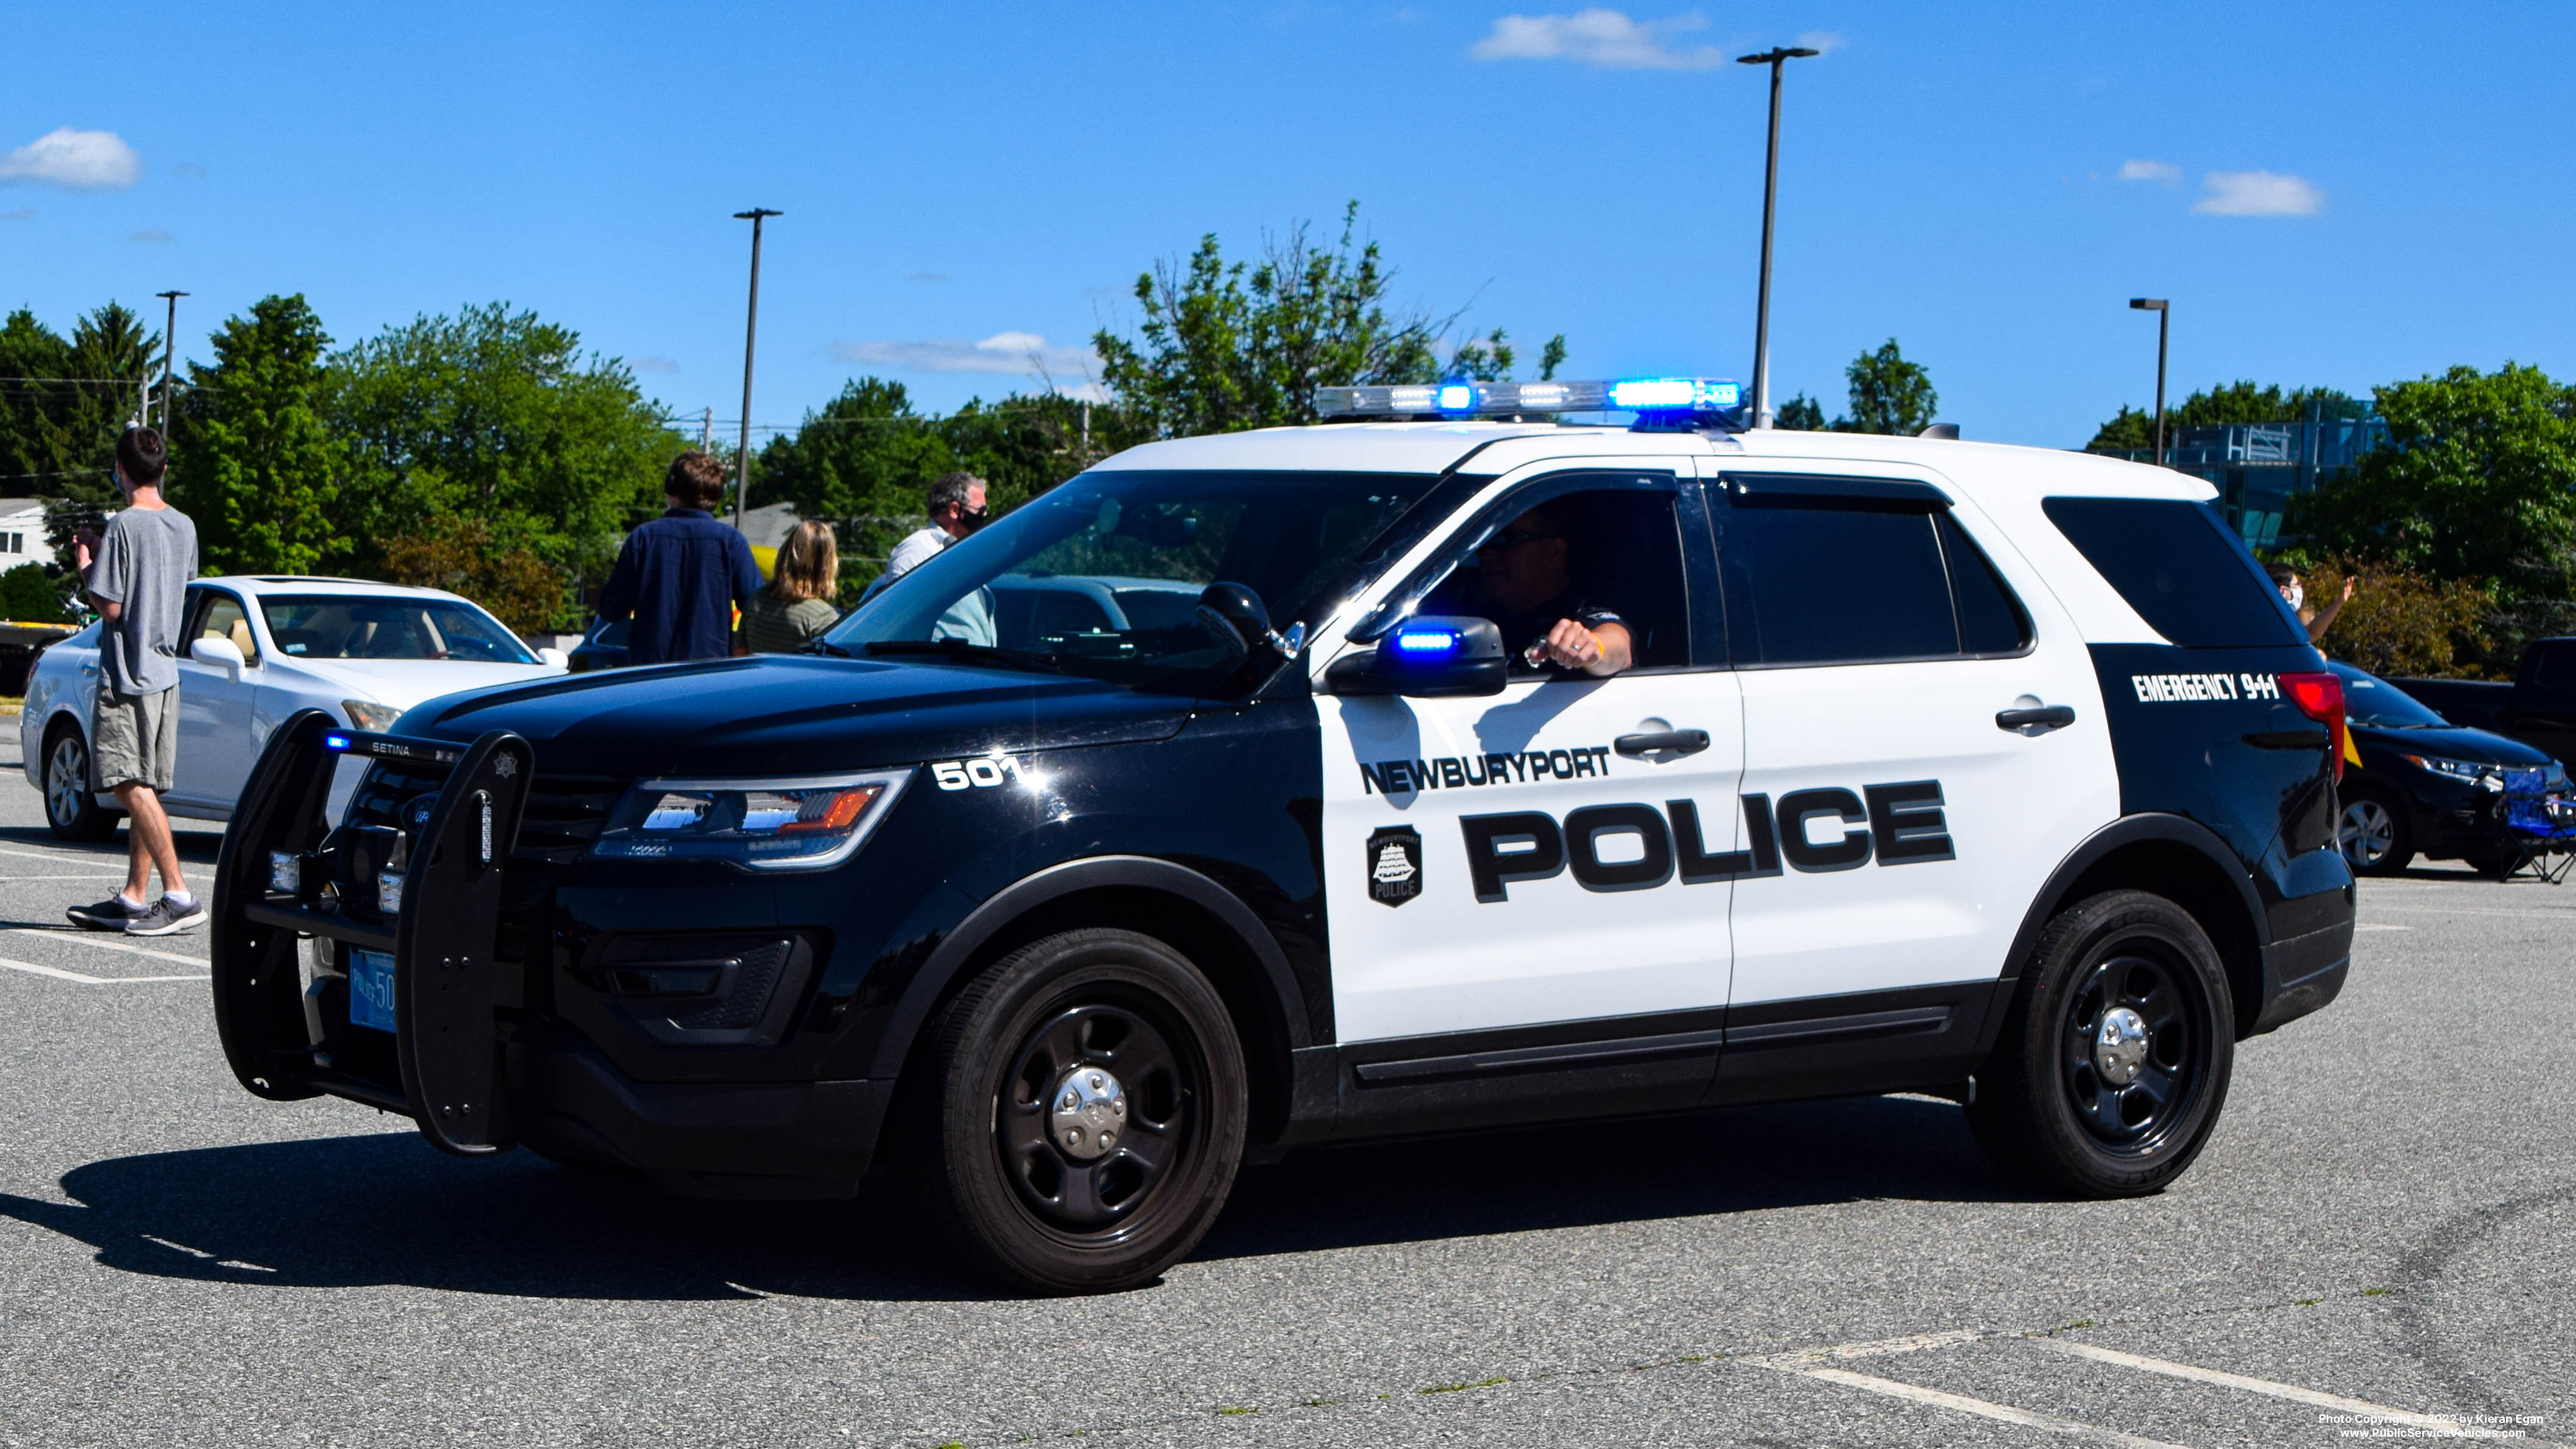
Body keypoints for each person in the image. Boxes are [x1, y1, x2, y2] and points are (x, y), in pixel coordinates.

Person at [66, 427, 204, 936]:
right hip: (166, 672)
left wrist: (88, 564)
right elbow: (170, 582)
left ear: (121, 471)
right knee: (146, 785)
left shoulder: (123, 525)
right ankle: (134, 896)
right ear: (164, 469)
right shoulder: (185, 526)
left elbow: (112, 605)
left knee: (126, 782)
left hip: (127, 672)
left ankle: (179, 894)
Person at [596, 452, 762, 666]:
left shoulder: (643, 539)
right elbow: (756, 608)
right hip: (709, 671)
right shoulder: (731, 542)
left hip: (649, 671)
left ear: (672, 489)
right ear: (716, 496)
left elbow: (611, 610)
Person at [1468, 499, 1632, 676]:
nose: (1488, 554)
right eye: (1484, 543)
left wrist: (1592, 648)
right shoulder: (1475, 615)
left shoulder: (1578, 616)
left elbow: (1619, 650)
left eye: (1505, 540)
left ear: (1554, 552)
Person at [865, 471, 987, 600]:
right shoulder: (917, 549)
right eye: (981, 511)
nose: (984, 516)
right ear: (955, 510)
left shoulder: (965, 550)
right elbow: (899, 604)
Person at [743, 519, 842, 653]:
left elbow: (740, 653)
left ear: (785, 554)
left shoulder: (756, 601)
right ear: (827, 565)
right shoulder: (822, 617)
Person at [2267, 563, 2353, 645]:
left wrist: (2340, 601)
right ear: (2283, 591)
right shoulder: (2273, 625)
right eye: (2297, 584)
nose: (2300, 588)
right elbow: (2310, 635)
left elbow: (2311, 633)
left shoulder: (2283, 619)